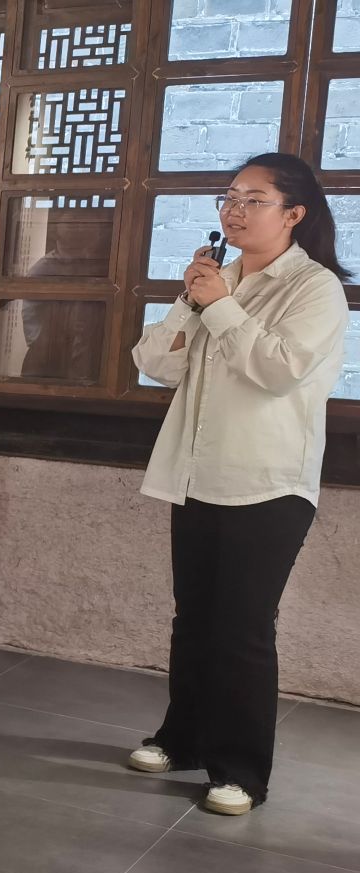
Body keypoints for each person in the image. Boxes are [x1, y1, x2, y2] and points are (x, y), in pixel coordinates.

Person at [128, 153, 349, 817]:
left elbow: (278, 371)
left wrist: (221, 307)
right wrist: (189, 301)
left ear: (294, 214)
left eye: (254, 199)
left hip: (269, 484)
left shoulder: (314, 289)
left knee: (243, 629)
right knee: (193, 620)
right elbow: (155, 364)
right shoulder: (217, 280)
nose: (235, 210)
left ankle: (242, 771)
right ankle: (182, 739)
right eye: (229, 197)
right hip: (198, 474)